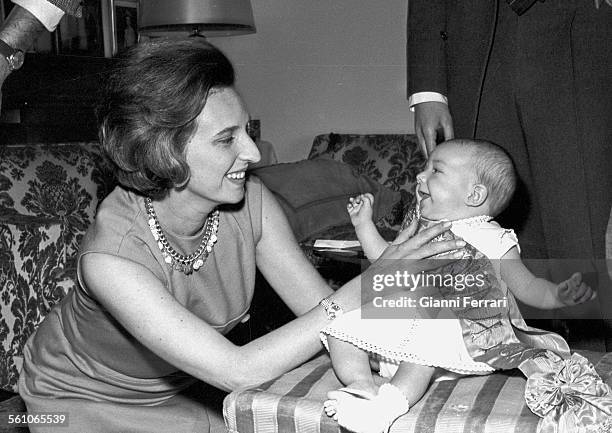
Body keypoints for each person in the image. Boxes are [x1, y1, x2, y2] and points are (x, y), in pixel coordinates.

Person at [17, 39, 465, 433]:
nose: (251, 153)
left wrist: (431, 347)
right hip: (74, 402)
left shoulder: (251, 199)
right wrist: (371, 282)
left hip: (186, 389)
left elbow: (322, 314)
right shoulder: (111, 260)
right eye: (225, 139)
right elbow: (238, 370)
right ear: (161, 148)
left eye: (246, 131)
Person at [320, 139, 595, 433]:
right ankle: (361, 384)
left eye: (435, 171)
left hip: (457, 334)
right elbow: (384, 263)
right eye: (424, 168)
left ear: (474, 194)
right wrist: (363, 225)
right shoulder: (418, 227)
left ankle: (387, 408)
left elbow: (526, 285)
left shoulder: (492, 238)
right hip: (403, 323)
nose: (419, 176)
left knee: (429, 333)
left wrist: (557, 294)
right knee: (340, 326)